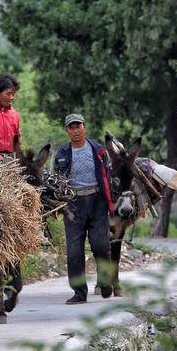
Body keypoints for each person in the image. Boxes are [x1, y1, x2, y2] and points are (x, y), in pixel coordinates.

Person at [53, 113, 114, 304]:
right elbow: (56, 181)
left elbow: (108, 177)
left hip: (97, 201)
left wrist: (110, 202)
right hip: (74, 205)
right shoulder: (62, 155)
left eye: (78, 126)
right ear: (67, 131)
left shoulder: (98, 150)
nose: (75, 130)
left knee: (101, 245)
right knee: (74, 251)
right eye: (71, 127)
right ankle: (79, 293)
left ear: (84, 127)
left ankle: (105, 281)